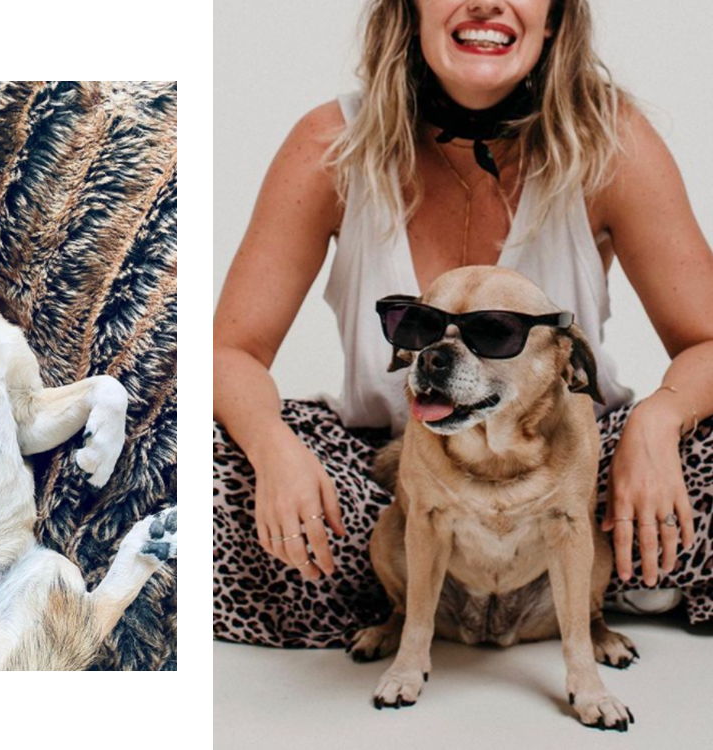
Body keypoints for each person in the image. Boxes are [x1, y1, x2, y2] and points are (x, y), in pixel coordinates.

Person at [213, 0, 713, 648]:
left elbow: (707, 340)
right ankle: (424, 586)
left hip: (572, 484)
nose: (485, 1)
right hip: (389, 490)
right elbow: (230, 351)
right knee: (193, 459)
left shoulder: (610, 142)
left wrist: (659, 422)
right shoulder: (329, 145)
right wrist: (272, 450)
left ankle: (595, 565)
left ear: (555, 16)